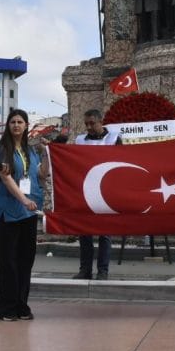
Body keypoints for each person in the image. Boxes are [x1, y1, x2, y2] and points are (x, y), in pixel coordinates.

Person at [0, 109, 48, 321]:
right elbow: (5, 178)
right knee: (8, 261)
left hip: (30, 212)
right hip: (9, 211)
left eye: (20, 122)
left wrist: (46, 153)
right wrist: (23, 200)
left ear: (25, 126)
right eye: (12, 122)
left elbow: (41, 174)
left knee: (26, 260)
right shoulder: (3, 150)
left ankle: (22, 305)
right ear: (8, 125)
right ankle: (6, 307)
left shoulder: (29, 150)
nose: (16, 125)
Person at [72, 109, 120, 281]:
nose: (89, 127)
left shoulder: (114, 139)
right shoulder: (80, 140)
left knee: (104, 233)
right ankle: (85, 269)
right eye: (86, 124)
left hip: (106, 193)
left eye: (92, 123)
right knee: (84, 233)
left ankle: (102, 270)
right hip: (85, 191)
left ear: (101, 121)